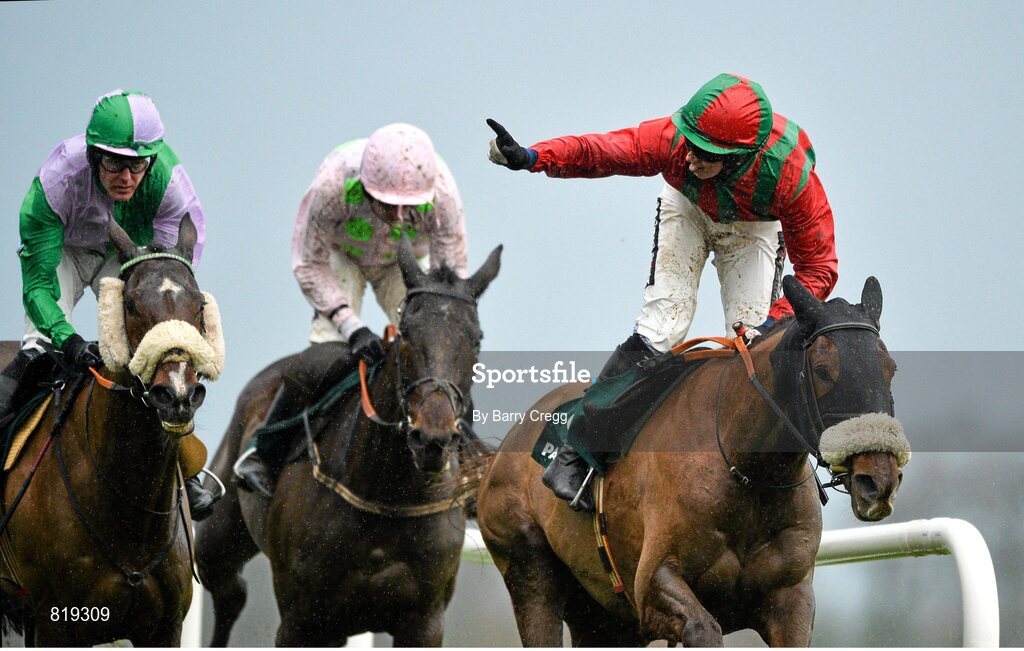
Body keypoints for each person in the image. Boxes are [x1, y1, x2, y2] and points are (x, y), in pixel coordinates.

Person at [488, 73, 838, 510]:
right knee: (662, 326)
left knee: (759, 342)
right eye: (690, 143)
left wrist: (776, 317)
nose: (691, 155)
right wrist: (534, 156)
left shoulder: (790, 176)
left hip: (753, 229)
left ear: (742, 157)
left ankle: (797, 467)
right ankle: (576, 449)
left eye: (706, 153)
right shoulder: (676, 142)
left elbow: (819, 268)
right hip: (687, 209)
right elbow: (606, 150)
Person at [0, 89, 218, 519]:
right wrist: (70, 340)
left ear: (151, 161)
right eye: (114, 162)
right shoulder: (56, 183)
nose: (126, 176)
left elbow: (174, 279)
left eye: (137, 164)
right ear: (94, 154)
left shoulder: (171, 186)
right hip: (59, 254)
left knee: (154, 354)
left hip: (128, 257)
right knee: (40, 350)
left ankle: (187, 470)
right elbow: (40, 289)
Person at [233, 123, 469, 496]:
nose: (400, 217)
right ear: (366, 186)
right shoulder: (332, 185)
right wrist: (351, 326)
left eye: (411, 207)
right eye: (389, 205)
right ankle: (263, 453)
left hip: (404, 265)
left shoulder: (444, 194)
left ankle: (467, 458)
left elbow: (448, 285)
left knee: (441, 347)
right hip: (341, 259)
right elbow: (309, 263)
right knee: (326, 355)